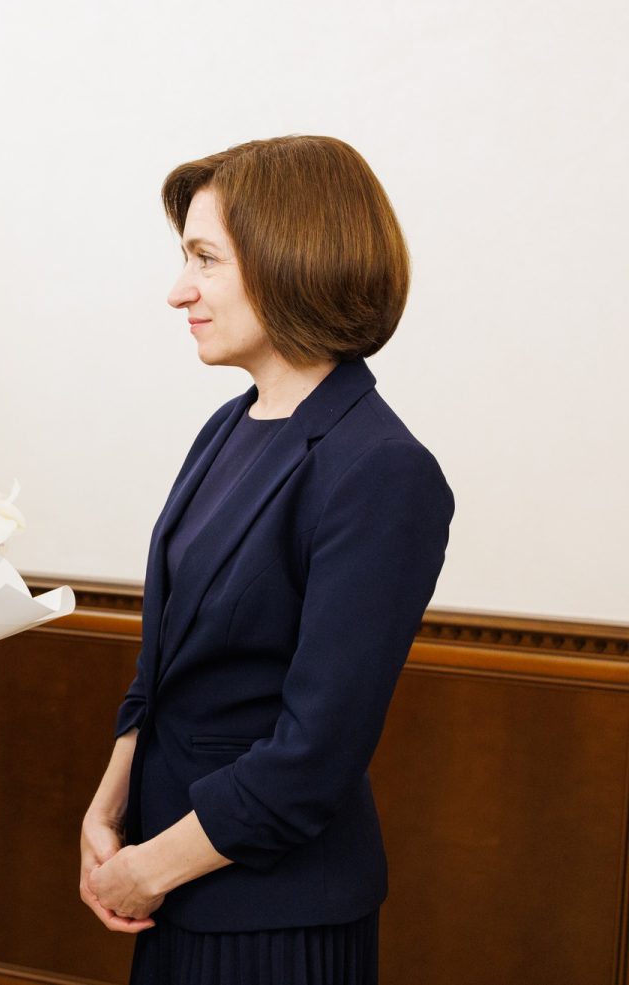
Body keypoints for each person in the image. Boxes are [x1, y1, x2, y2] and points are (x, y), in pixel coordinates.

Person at [78, 136, 454, 985]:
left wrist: (147, 868)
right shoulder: (227, 427)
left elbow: (314, 755)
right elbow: (163, 670)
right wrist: (107, 810)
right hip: (172, 885)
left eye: (205, 259)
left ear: (292, 260)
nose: (179, 290)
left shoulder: (382, 470)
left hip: (273, 919)